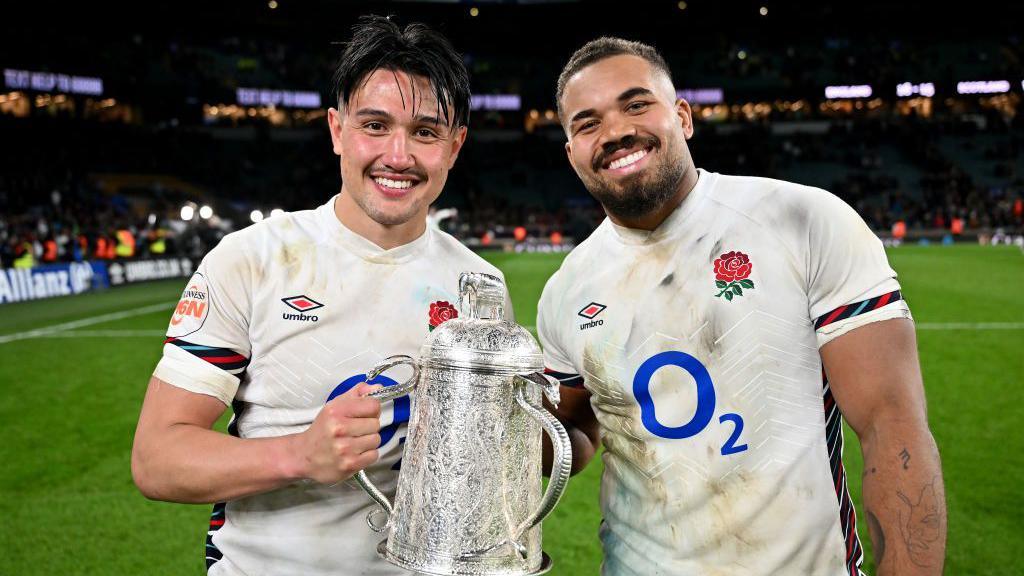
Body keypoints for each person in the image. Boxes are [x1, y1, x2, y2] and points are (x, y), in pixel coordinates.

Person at [537, 37, 946, 576]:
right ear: (571, 153)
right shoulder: (566, 290)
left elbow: (890, 423)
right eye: (587, 123)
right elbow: (574, 429)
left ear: (683, 117)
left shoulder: (803, 221)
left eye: (636, 104)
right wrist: (488, 433)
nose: (614, 132)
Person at [131, 16, 509, 575]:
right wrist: (298, 455)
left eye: (426, 132)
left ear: (455, 147)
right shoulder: (252, 259)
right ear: (336, 130)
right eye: (375, 125)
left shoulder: (480, 286)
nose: (398, 155)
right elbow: (157, 459)